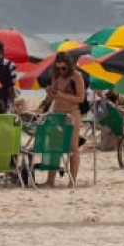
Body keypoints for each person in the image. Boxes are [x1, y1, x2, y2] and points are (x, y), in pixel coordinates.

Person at [40, 51, 87, 185]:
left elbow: (80, 98)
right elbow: (53, 96)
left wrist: (62, 95)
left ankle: (72, 180)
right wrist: (49, 94)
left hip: (72, 113)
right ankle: (50, 180)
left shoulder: (76, 76)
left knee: (73, 147)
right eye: (58, 68)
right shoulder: (56, 77)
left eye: (63, 68)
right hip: (57, 113)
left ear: (69, 66)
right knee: (53, 146)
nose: (61, 71)